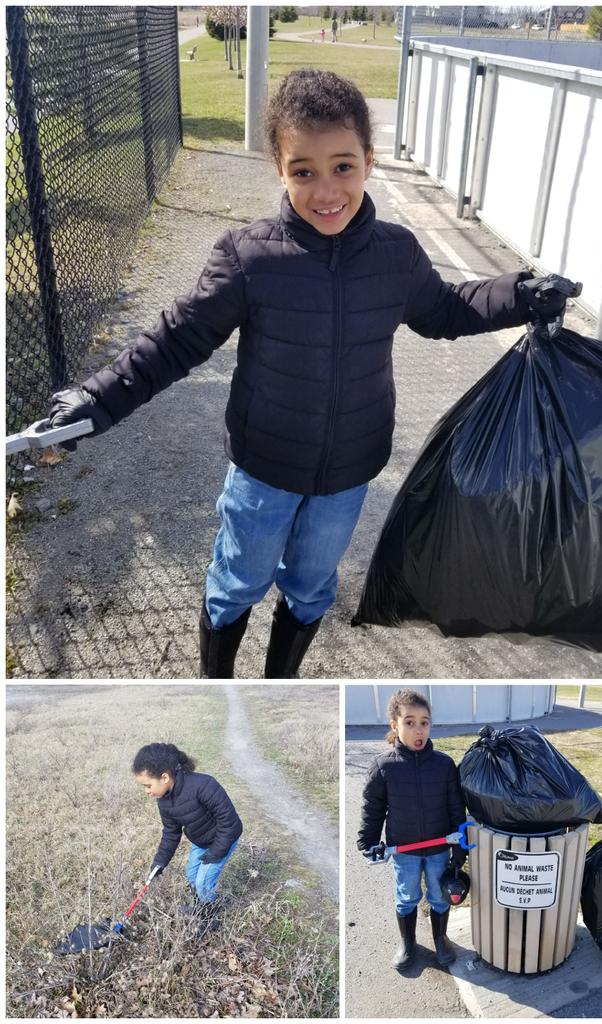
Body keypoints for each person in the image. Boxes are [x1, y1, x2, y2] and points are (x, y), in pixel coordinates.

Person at [47, 69, 572, 678]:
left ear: (370, 161)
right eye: (304, 171)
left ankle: (280, 684)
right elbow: (177, 338)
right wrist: (98, 397)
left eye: (343, 166)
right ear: (280, 169)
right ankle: (217, 684)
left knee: (311, 587)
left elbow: (447, 310)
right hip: (264, 469)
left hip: (349, 473)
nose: (326, 190)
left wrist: (521, 294)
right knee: (238, 583)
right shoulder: (249, 257)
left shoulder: (396, 254)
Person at [357, 688, 466, 970]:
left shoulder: (443, 765)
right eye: (410, 722)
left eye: (424, 722)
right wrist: (367, 842)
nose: (419, 730)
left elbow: (456, 808)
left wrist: (458, 849)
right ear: (395, 725)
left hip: (439, 849)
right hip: (403, 849)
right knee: (407, 896)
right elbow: (373, 809)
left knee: (439, 896)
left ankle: (441, 940)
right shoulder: (383, 767)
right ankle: (408, 943)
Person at [133, 742, 243, 936]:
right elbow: (171, 833)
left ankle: (210, 918)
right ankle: (199, 906)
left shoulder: (204, 785)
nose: (147, 791)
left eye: (148, 785)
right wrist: (159, 863)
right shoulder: (164, 802)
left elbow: (230, 823)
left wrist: (216, 853)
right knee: (191, 877)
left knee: (203, 882)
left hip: (224, 838)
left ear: (164, 777)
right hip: (201, 841)